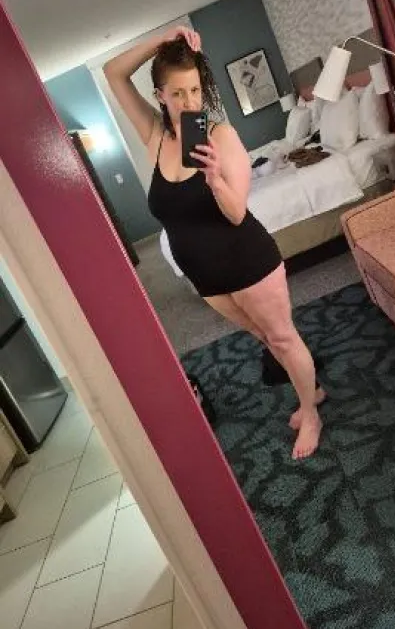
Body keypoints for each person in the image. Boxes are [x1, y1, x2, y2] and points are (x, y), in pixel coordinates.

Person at [104, 26, 325, 459]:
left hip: (247, 262)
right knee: (264, 337)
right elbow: (114, 73)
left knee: (281, 338)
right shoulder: (154, 137)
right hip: (205, 277)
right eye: (178, 93)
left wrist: (213, 177)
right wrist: (164, 39)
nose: (190, 102)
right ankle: (310, 389)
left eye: (195, 90)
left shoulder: (220, 136)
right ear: (160, 96)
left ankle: (311, 412)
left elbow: (237, 213)